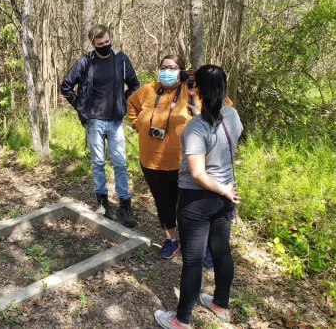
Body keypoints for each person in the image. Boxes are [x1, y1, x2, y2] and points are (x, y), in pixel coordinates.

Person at [154, 65, 243, 328]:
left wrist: (221, 189)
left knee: (193, 260)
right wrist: (226, 189)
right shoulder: (233, 115)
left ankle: (181, 321)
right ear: (224, 88)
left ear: (199, 89)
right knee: (222, 252)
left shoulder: (195, 128)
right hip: (225, 196)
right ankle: (220, 304)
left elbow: (197, 173)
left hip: (199, 199)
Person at [61, 25, 140, 227]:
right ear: (93, 44)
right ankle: (102, 201)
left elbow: (134, 85)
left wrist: (123, 101)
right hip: (94, 121)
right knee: (97, 162)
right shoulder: (85, 63)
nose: (105, 46)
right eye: (100, 44)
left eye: (107, 42)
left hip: (115, 121)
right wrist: (80, 106)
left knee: (120, 163)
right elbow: (66, 85)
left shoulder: (121, 60)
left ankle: (125, 203)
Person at [127, 54, 190, 259]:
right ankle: (171, 239)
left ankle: (196, 242)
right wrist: (137, 124)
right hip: (151, 161)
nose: (167, 71)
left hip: (183, 163)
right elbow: (131, 104)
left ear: (181, 71)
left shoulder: (192, 91)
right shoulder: (148, 90)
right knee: (162, 202)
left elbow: (223, 103)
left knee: (188, 205)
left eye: (172, 68)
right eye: (164, 67)